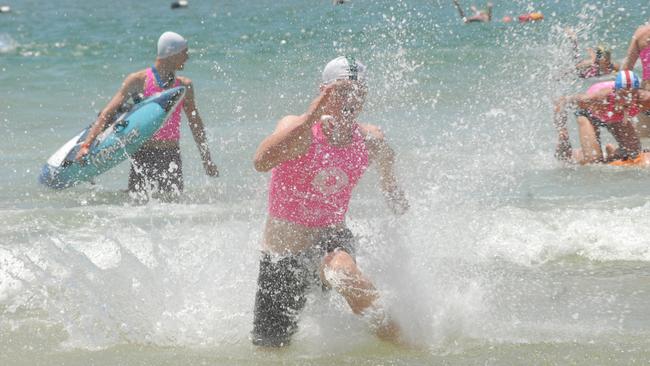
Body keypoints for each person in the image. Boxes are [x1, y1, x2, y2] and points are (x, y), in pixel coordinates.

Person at [251, 56, 409, 347]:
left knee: (343, 274)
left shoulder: (368, 139)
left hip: (330, 238)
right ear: (323, 90)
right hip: (282, 254)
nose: (351, 98)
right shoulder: (297, 129)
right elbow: (261, 161)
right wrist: (310, 118)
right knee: (271, 348)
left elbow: (388, 164)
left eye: (358, 92)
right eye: (342, 90)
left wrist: (393, 194)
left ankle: (406, 345)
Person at [75, 31, 218, 199]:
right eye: (184, 52)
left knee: (173, 208)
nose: (187, 57)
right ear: (171, 53)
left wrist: (206, 159)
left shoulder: (183, 86)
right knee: (137, 207)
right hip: (143, 154)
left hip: (171, 155)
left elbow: (196, 124)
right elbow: (108, 113)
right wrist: (87, 145)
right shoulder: (138, 80)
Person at [554, 71, 650, 164]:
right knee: (594, 161)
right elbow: (562, 102)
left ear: (637, 91)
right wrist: (562, 133)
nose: (628, 100)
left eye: (632, 94)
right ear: (615, 91)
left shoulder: (645, 99)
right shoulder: (599, 98)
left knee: (634, 153)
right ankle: (573, 154)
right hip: (589, 115)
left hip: (615, 117)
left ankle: (612, 152)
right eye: (623, 94)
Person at [623, 23, 650, 138]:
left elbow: (625, 71)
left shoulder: (642, 32)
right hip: (646, 100)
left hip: (645, 99)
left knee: (643, 146)